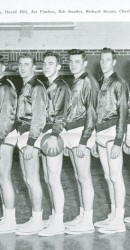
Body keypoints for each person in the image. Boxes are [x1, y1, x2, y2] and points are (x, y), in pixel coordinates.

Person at [63, 49, 99, 235]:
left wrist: (84, 141)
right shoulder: (76, 81)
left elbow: (92, 113)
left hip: (82, 135)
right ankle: (82, 214)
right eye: (71, 61)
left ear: (85, 63)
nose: (73, 64)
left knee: (84, 177)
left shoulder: (88, 82)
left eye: (77, 61)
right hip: (73, 134)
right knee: (79, 176)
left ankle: (88, 220)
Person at [94, 47, 128, 234]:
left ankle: (119, 220)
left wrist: (118, 140)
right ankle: (114, 214)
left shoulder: (119, 83)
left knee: (116, 176)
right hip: (100, 134)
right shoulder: (101, 82)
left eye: (108, 59)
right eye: (102, 59)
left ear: (114, 62)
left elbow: (124, 113)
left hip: (112, 133)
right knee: (108, 177)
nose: (104, 62)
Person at [38, 51, 70, 237]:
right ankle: (53, 215)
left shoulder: (61, 87)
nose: (46, 66)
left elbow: (61, 115)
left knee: (54, 178)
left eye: (51, 63)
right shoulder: (47, 85)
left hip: (54, 135)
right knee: (48, 178)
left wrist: (55, 134)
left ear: (58, 67)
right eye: (45, 63)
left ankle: (59, 221)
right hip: (46, 133)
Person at [16, 53, 47, 235]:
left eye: (26, 64)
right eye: (20, 64)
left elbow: (39, 118)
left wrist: (31, 143)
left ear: (34, 67)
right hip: (23, 135)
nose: (22, 68)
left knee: (33, 178)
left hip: (30, 137)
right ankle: (35, 218)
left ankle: (38, 220)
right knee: (27, 178)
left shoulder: (37, 87)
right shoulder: (26, 85)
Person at [0, 56, 18, 233]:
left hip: (4, 138)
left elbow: (7, 118)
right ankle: (5, 217)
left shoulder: (5, 86)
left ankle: (11, 220)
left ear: (3, 67)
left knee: (4, 177)